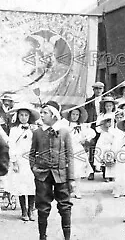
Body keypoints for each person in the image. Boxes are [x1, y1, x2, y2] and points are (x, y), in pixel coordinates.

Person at [29, 101, 74, 240]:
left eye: (45, 113)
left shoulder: (64, 132)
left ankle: (67, 237)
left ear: (54, 115)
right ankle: (42, 236)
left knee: (65, 207)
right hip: (42, 176)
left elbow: (70, 155)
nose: (41, 116)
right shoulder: (37, 133)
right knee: (42, 208)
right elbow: (32, 154)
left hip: (61, 175)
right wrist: (34, 169)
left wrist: (71, 179)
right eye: (41, 113)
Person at [8, 103, 40, 221]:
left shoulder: (34, 129)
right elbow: (11, 145)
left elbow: (38, 144)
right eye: (21, 115)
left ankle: (31, 210)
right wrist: (14, 162)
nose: (23, 117)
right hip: (20, 160)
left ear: (29, 116)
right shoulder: (14, 130)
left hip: (31, 160)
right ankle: (24, 211)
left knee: (31, 185)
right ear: (18, 116)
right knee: (21, 186)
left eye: (26, 115)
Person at [61, 106, 96, 199]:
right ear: (70, 114)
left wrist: (85, 139)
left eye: (77, 114)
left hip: (78, 149)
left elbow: (92, 133)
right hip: (67, 149)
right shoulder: (65, 124)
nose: (75, 116)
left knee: (78, 170)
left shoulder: (82, 126)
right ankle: (68, 191)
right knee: (68, 170)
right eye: (73, 114)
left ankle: (78, 191)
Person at [85, 81, 104, 179]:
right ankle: (91, 170)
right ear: (93, 90)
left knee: (105, 147)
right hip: (92, 126)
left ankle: (105, 172)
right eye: (96, 88)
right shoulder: (88, 101)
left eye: (100, 88)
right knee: (92, 147)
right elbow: (86, 114)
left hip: (103, 126)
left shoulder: (106, 100)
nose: (98, 91)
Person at [95, 112, 120, 182]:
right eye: (107, 122)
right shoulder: (104, 132)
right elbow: (102, 142)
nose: (109, 124)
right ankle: (107, 176)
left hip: (113, 146)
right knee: (107, 161)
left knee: (113, 161)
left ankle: (113, 176)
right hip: (106, 147)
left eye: (110, 122)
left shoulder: (114, 130)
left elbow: (115, 139)